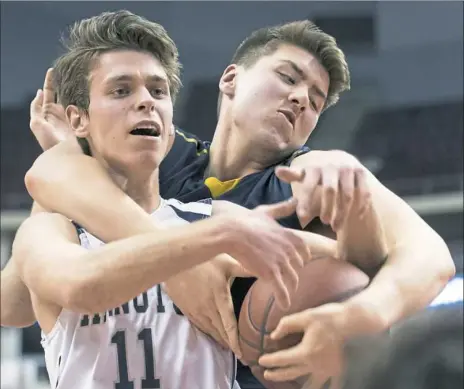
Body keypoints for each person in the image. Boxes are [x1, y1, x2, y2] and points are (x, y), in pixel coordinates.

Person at [3, 17, 455, 389]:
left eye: (316, 101)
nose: (300, 98)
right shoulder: (162, 151)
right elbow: (48, 181)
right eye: (288, 77)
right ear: (231, 78)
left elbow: (423, 259)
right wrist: (184, 259)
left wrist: (358, 313)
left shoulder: (314, 176)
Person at [9, 10, 323, 389]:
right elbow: (81, 286)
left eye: (158, 91)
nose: (146, 101)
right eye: (121, 90)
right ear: (78, 120)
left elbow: (344, 257)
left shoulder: (215, 216)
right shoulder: (50, 231)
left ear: (171, 125)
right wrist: (217, 237)